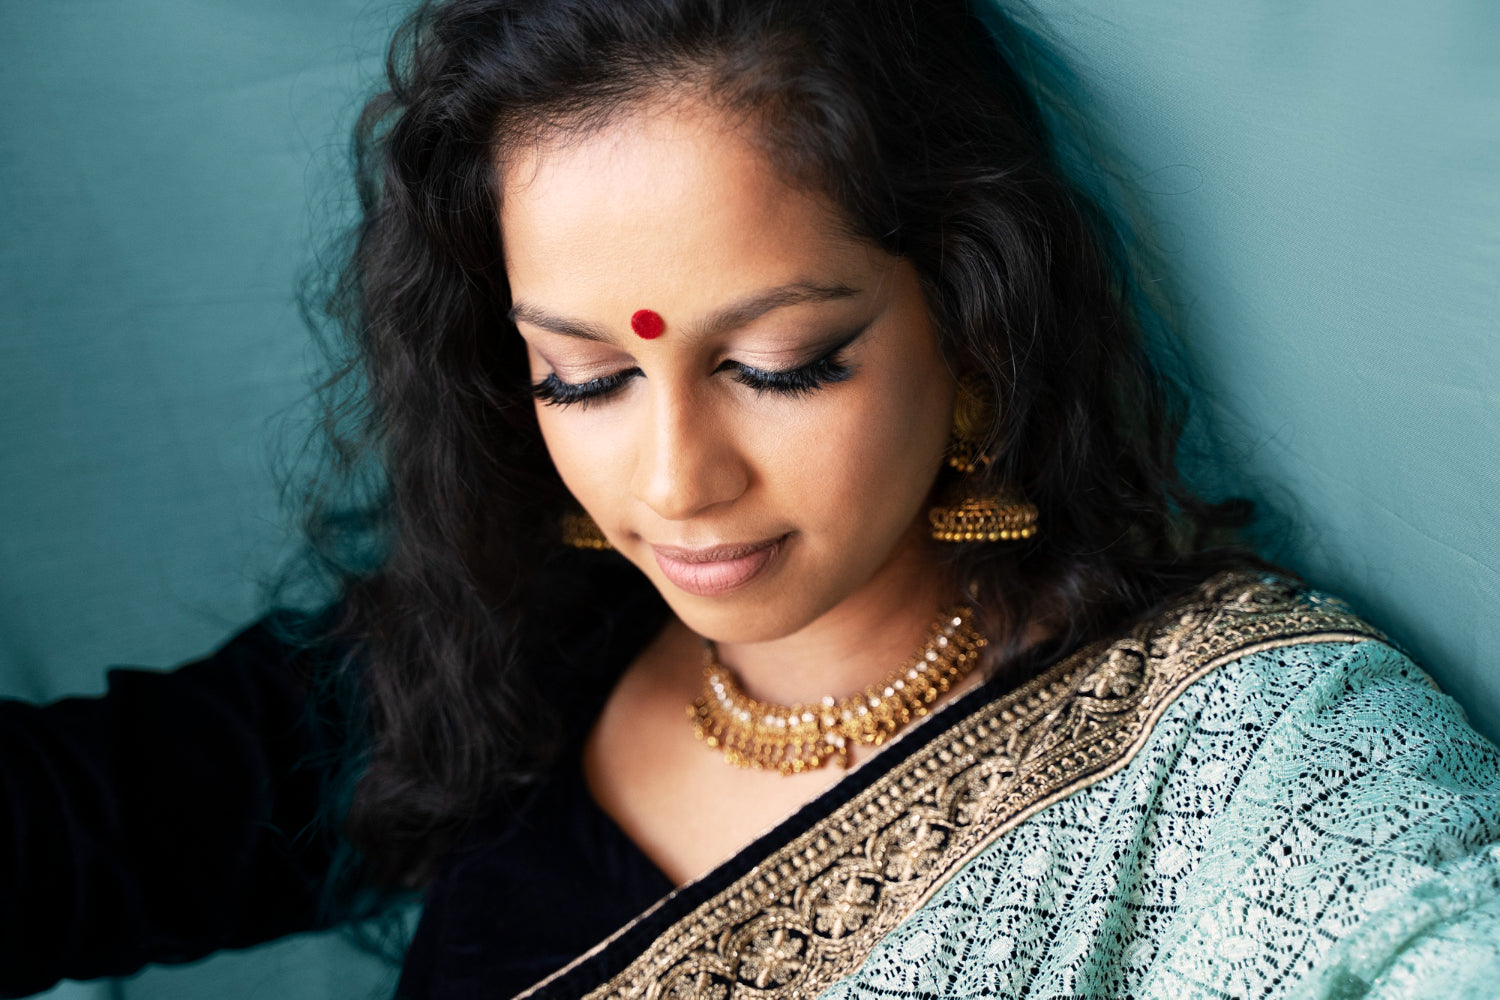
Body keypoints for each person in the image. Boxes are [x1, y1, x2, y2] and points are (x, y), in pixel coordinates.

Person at [3, 0, 1499, 998]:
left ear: (973, 329)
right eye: (580, 380)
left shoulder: (1242, 749)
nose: (675, 485)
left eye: (781, 366)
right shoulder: (507, 657)